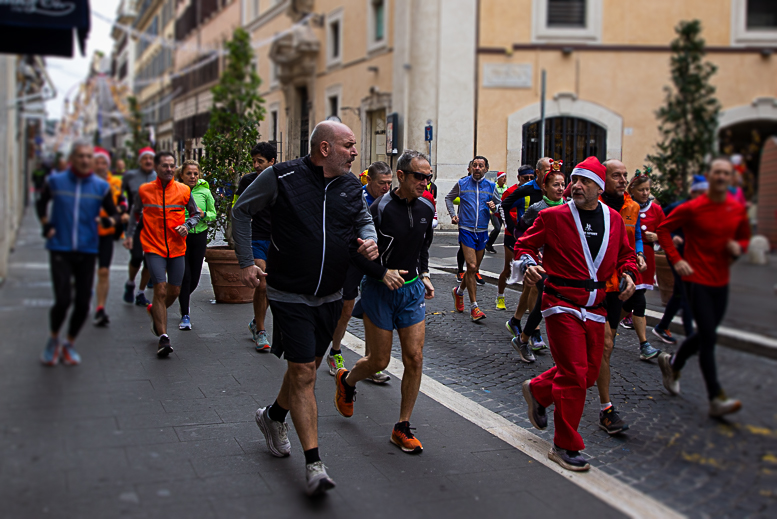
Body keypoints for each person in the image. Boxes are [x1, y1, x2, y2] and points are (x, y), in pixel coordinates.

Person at [233, 121, 379, 497]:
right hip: (289, 293)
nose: (355, 152)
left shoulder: (351, 186)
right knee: (302, 373)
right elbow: (242, 212)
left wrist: (370, 239)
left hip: (330, 294)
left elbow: (362, 217)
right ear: (325, 148)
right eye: (349, 145)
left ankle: (273, 416)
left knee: (308, 369)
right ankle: (314, 464)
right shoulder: (281, 176)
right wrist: (248, 261)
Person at [516, 156, 637, 472]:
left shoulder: (612, 219)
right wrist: (528, 265)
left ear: (599, 186)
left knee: (589, 371)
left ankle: (539, 390)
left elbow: (625, 255)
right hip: (561, 302)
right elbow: (524, 245)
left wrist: (628, 274)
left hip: (595, 306)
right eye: (575, 180)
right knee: (573, 374)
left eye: (585, 181)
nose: (576, 186)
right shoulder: (554, 216)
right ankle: (564, 445)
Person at [334, 150, 435, 453]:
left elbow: (422, 246)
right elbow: (354, 253)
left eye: (428, 177)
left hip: (412, 289)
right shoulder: (379, 210)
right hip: (379, 289)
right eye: (419, 176)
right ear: (401, 176)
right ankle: (348, 381)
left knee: (414, 357)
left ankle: (402, 426)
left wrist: (425, 273)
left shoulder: (427, 208)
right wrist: (382, 272)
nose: (425, 182)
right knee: (379, 361)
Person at [657, 158, 750, 418]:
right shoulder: (693, 208)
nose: (721, 177)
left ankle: (673, 362)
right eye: (717, 173)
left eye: (726, 173)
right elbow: (663, 230)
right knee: (708, 336)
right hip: (696, 280)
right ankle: (715, 397)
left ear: (731, 178)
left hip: (722, 281)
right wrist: (677, 260)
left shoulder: (736, 208)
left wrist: (739, 248)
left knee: (705, 335)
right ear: (709, 176)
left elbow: (744, 237)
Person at [37, 140, 119, 365]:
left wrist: (108, 220)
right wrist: (46, 224)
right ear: (72, 159)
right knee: (63, 300)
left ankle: (69, 342)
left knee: (83, 304)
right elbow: (41, 203)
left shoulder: (100, 187)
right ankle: (54, 338)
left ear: (92, 160)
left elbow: (115, 214)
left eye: (87, 156)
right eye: (80, 156)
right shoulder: (55, 182)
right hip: (60, 248)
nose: (84, 160)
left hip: (87, 248)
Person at [592, 159, 656, 436]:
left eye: (624, 175)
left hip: (616, 286)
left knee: (606, 347)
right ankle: (606, 408)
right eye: (615, 175)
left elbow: (632, 241)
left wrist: (635, 260)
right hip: (588, 287)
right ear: (601, 178)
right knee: (601, 346)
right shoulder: (590, 207)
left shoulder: (631, 208)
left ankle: (604, 408)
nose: (622, 179)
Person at [125, 151, 201, 358]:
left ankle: (155, 313)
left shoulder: (184, 190)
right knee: (159, 288)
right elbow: (134, 213)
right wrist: (129, 235)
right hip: (153, 246)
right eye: (164, 166)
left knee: (173, 292)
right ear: (156, 168)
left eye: (171, 165)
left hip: (177, 248)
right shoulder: (145, 190)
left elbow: (196, 214)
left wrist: (187, 225)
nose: (168, 169)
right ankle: (163, 336)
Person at [327, 160, 393, 384]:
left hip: (377, 262)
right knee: (346, 309)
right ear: (370, 181)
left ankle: (370, 362)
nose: (386, 188)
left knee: (372, 311)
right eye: (382, 183)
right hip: (352, 259)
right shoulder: (358, 197)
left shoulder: (392, 202)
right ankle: (335, 352)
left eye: (389, 183)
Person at [510, 167, 566, 362]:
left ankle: (522, 333)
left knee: (543, 301)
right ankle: (532, 334)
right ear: (545, 187)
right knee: (545, 297)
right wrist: (530, 256)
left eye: (562, 185)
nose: (560, 189)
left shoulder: (569, 207)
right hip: (541, 263)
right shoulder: (537, 208)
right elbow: (521, 231)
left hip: (561, 263)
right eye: (555, 185)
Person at [651, 176, 708, 344]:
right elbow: (660, 226)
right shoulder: (678, 207)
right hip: (677, 257)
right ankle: (691, 336)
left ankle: (663, 326)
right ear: (693, 192)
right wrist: (673, 237)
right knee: (687, 294)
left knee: (681, 294)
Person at [446, 155, 499, 321]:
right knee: (471, 264)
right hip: (466, 229)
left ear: (486, 169)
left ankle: (459, 292)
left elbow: (500, 204)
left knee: (473, 270)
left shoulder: (491, 186)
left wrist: (494, 206)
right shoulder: (462, 184)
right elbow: (448, 197)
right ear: (470, 168)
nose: (477, 168)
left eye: (481, 165)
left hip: (482, 231)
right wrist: (453, 215)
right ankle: (474, 307)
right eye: (474, 165)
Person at [234, 142, 277, 351]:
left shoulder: (281, 180)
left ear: (272, 162)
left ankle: (255, 322)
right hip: (256, 237)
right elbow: (239, 210)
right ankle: (260, 330)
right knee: (262, 283)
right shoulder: (247, 181)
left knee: (270, 286)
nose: (256, 165)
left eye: (260, 161)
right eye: (254, 161)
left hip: (277, 239)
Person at [501, 160, 547, 341]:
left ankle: (515, 320)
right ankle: (534, 332)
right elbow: (504, 205)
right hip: (528, 244)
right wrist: (514, 231)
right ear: (539, 172)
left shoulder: (561, 199)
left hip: (546, 246)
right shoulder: (527, 190)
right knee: (536, 285)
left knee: (529, 287)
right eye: (546, 171)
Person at [619, 173, 664, 356]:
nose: (645, 193)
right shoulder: (628, 207)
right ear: (632, 190)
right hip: (629, 259)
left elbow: (665, 230)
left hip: (646, 259)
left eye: (647, 189)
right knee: (639, 301)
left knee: (630, 302)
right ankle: (644, 345)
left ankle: (609, 325)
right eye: (641, 190)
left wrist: (657, 236)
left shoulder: (656, 210)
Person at [176, 160, 216, 330]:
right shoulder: (176, 191)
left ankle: (180, 297)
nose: (192, 177)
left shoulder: (205, 192)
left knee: (194, 278)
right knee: (185, 276)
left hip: (199, 236)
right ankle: (185, 314)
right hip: (180, 237)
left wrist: (203, 213)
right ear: (182, 175)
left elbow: (213, 215)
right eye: (189, 174)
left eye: (195, 173)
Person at [93, 147, 127, 327]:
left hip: (105, 233)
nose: (100, 165)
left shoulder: (112, 183)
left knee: (104, 271)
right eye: (97, 162)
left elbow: (121, 202)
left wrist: (118, 215)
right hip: (84, 235)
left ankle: (100, 308)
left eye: (103, 162)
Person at [121, 147, 157, 307]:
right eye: (145, 158)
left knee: (149, 261)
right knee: (136, 257)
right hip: (135, 222)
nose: (148, 161)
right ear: (140, 160)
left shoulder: (158, 177)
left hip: (153, 225)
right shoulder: (130, 176)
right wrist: (121, 210)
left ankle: (141, 292)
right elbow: (118, 195)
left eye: (151, 158)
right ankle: (130, 283)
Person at [485, 172, 508, 254]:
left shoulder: (506, 188)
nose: (504, 179)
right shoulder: (493, 187)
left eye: (505, 177)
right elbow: (491, 199)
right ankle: (488, 243)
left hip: (502, 211)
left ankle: (489, 244)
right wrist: (491, 210)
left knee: (501, 229)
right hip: (494, 211)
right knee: (497, 228)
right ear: (498, 178)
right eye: (502, 177)